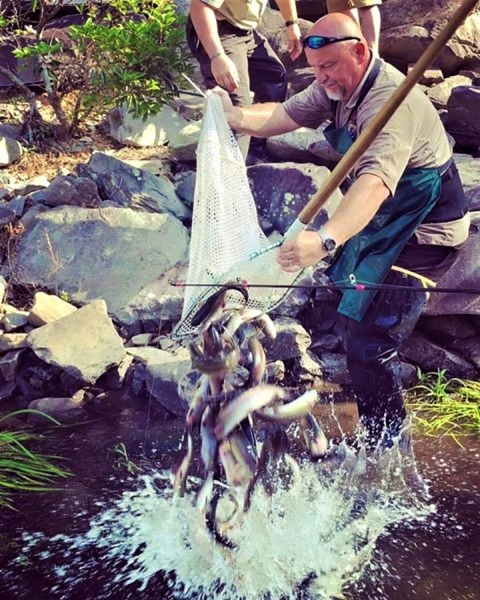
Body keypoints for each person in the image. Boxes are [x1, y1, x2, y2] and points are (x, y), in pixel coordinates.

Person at [212, 12, 470, 448]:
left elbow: (372, 185)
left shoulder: (390, 104)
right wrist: (233, 117)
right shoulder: (335, 85)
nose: (321, 76)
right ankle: (373, 431)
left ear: (360, 51)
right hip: (384, 224)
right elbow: (282, 116)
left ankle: (387, 454)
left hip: (426, 235)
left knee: (370, 345)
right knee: (356, 321)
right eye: (316, 68)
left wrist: (325, 238)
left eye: (329, 66)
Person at [186, 0, 303, 161]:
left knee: (274, 79)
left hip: (246, 30)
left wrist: (292, 24)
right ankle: (229, 176)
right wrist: (217, 56)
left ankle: (254, 151)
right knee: (237, 108)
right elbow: (199, 5)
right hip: (217, 29)